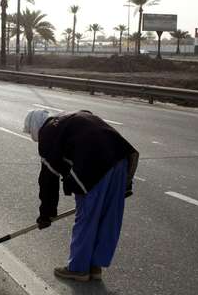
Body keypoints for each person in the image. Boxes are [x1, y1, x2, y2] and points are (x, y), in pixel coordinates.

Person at [23, 109, 139, 282]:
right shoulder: (68, 117)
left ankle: (78, 269)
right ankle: (95, 266)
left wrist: (46, 214)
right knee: (108, 217)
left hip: (93, 165)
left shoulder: (48, 133)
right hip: (120, 158)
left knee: (87, 217)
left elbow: (48, 180)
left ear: (35, 128)